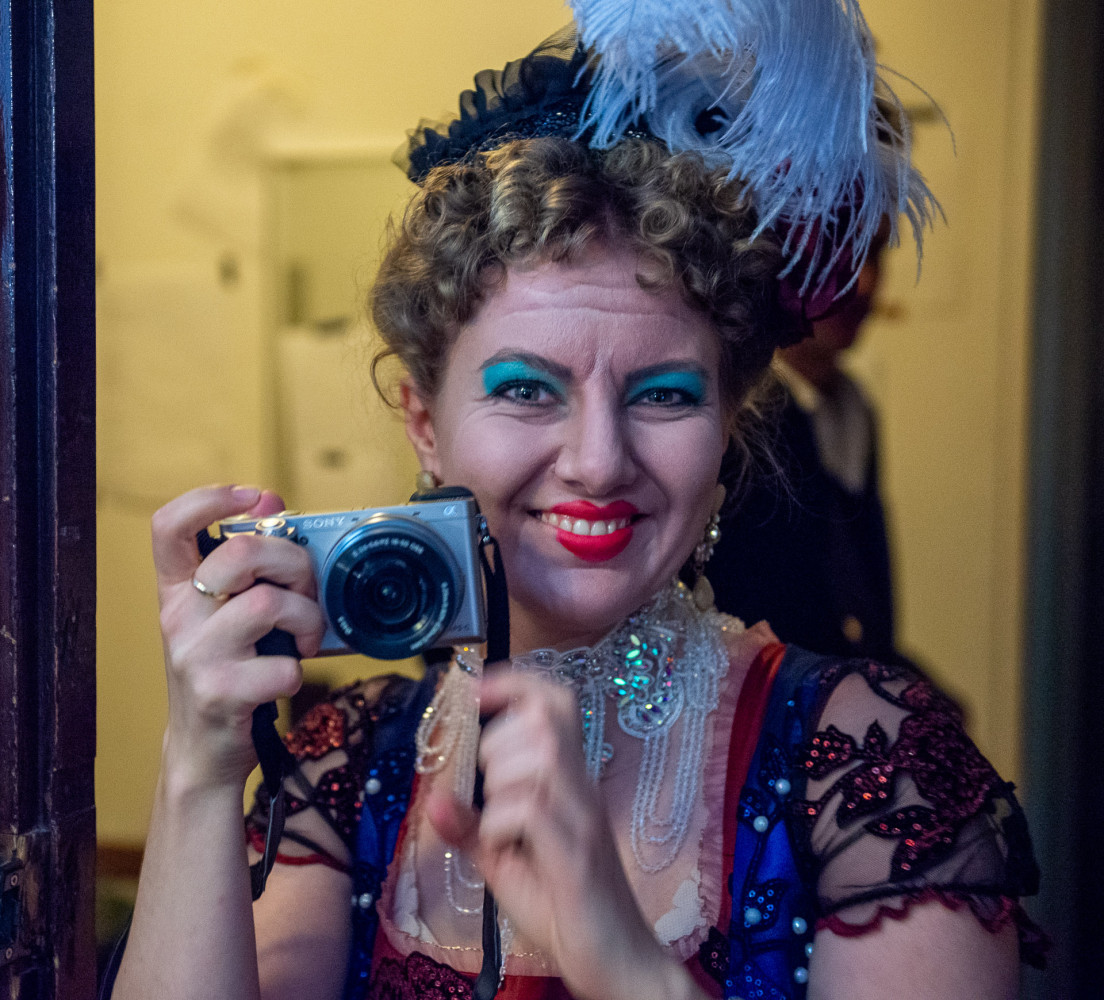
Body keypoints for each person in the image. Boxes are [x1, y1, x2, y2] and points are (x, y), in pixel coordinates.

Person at [105, 7, 1044, 1000]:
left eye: (664, 395)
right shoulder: (349, 764)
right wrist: (197, 769)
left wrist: (627, 965)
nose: (598, 462)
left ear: (727, 429)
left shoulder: (871, 766)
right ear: (424, 421)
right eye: (525, 388)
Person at [707, 222, 909, 663]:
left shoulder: (854, 408)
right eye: (838, 251)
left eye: (874, 253)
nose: (864, 282)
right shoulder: (737, 416)